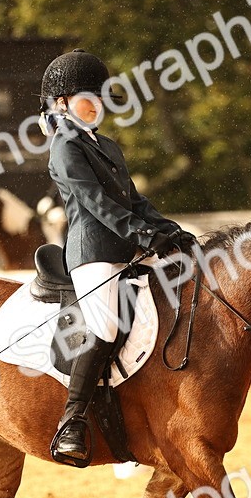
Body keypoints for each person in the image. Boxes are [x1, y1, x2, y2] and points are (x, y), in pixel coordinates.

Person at [40, 49, 195, 465]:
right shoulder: (64, 147)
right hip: (94, 252)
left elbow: (134, 200)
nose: (96, 103)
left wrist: (170, 230)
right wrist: (144, 234)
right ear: (61, 104)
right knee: (106, 326)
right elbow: (95, 205)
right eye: (85, 96)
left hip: (128, 246)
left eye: (99, 95)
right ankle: (71, 422)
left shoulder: (106, 145)